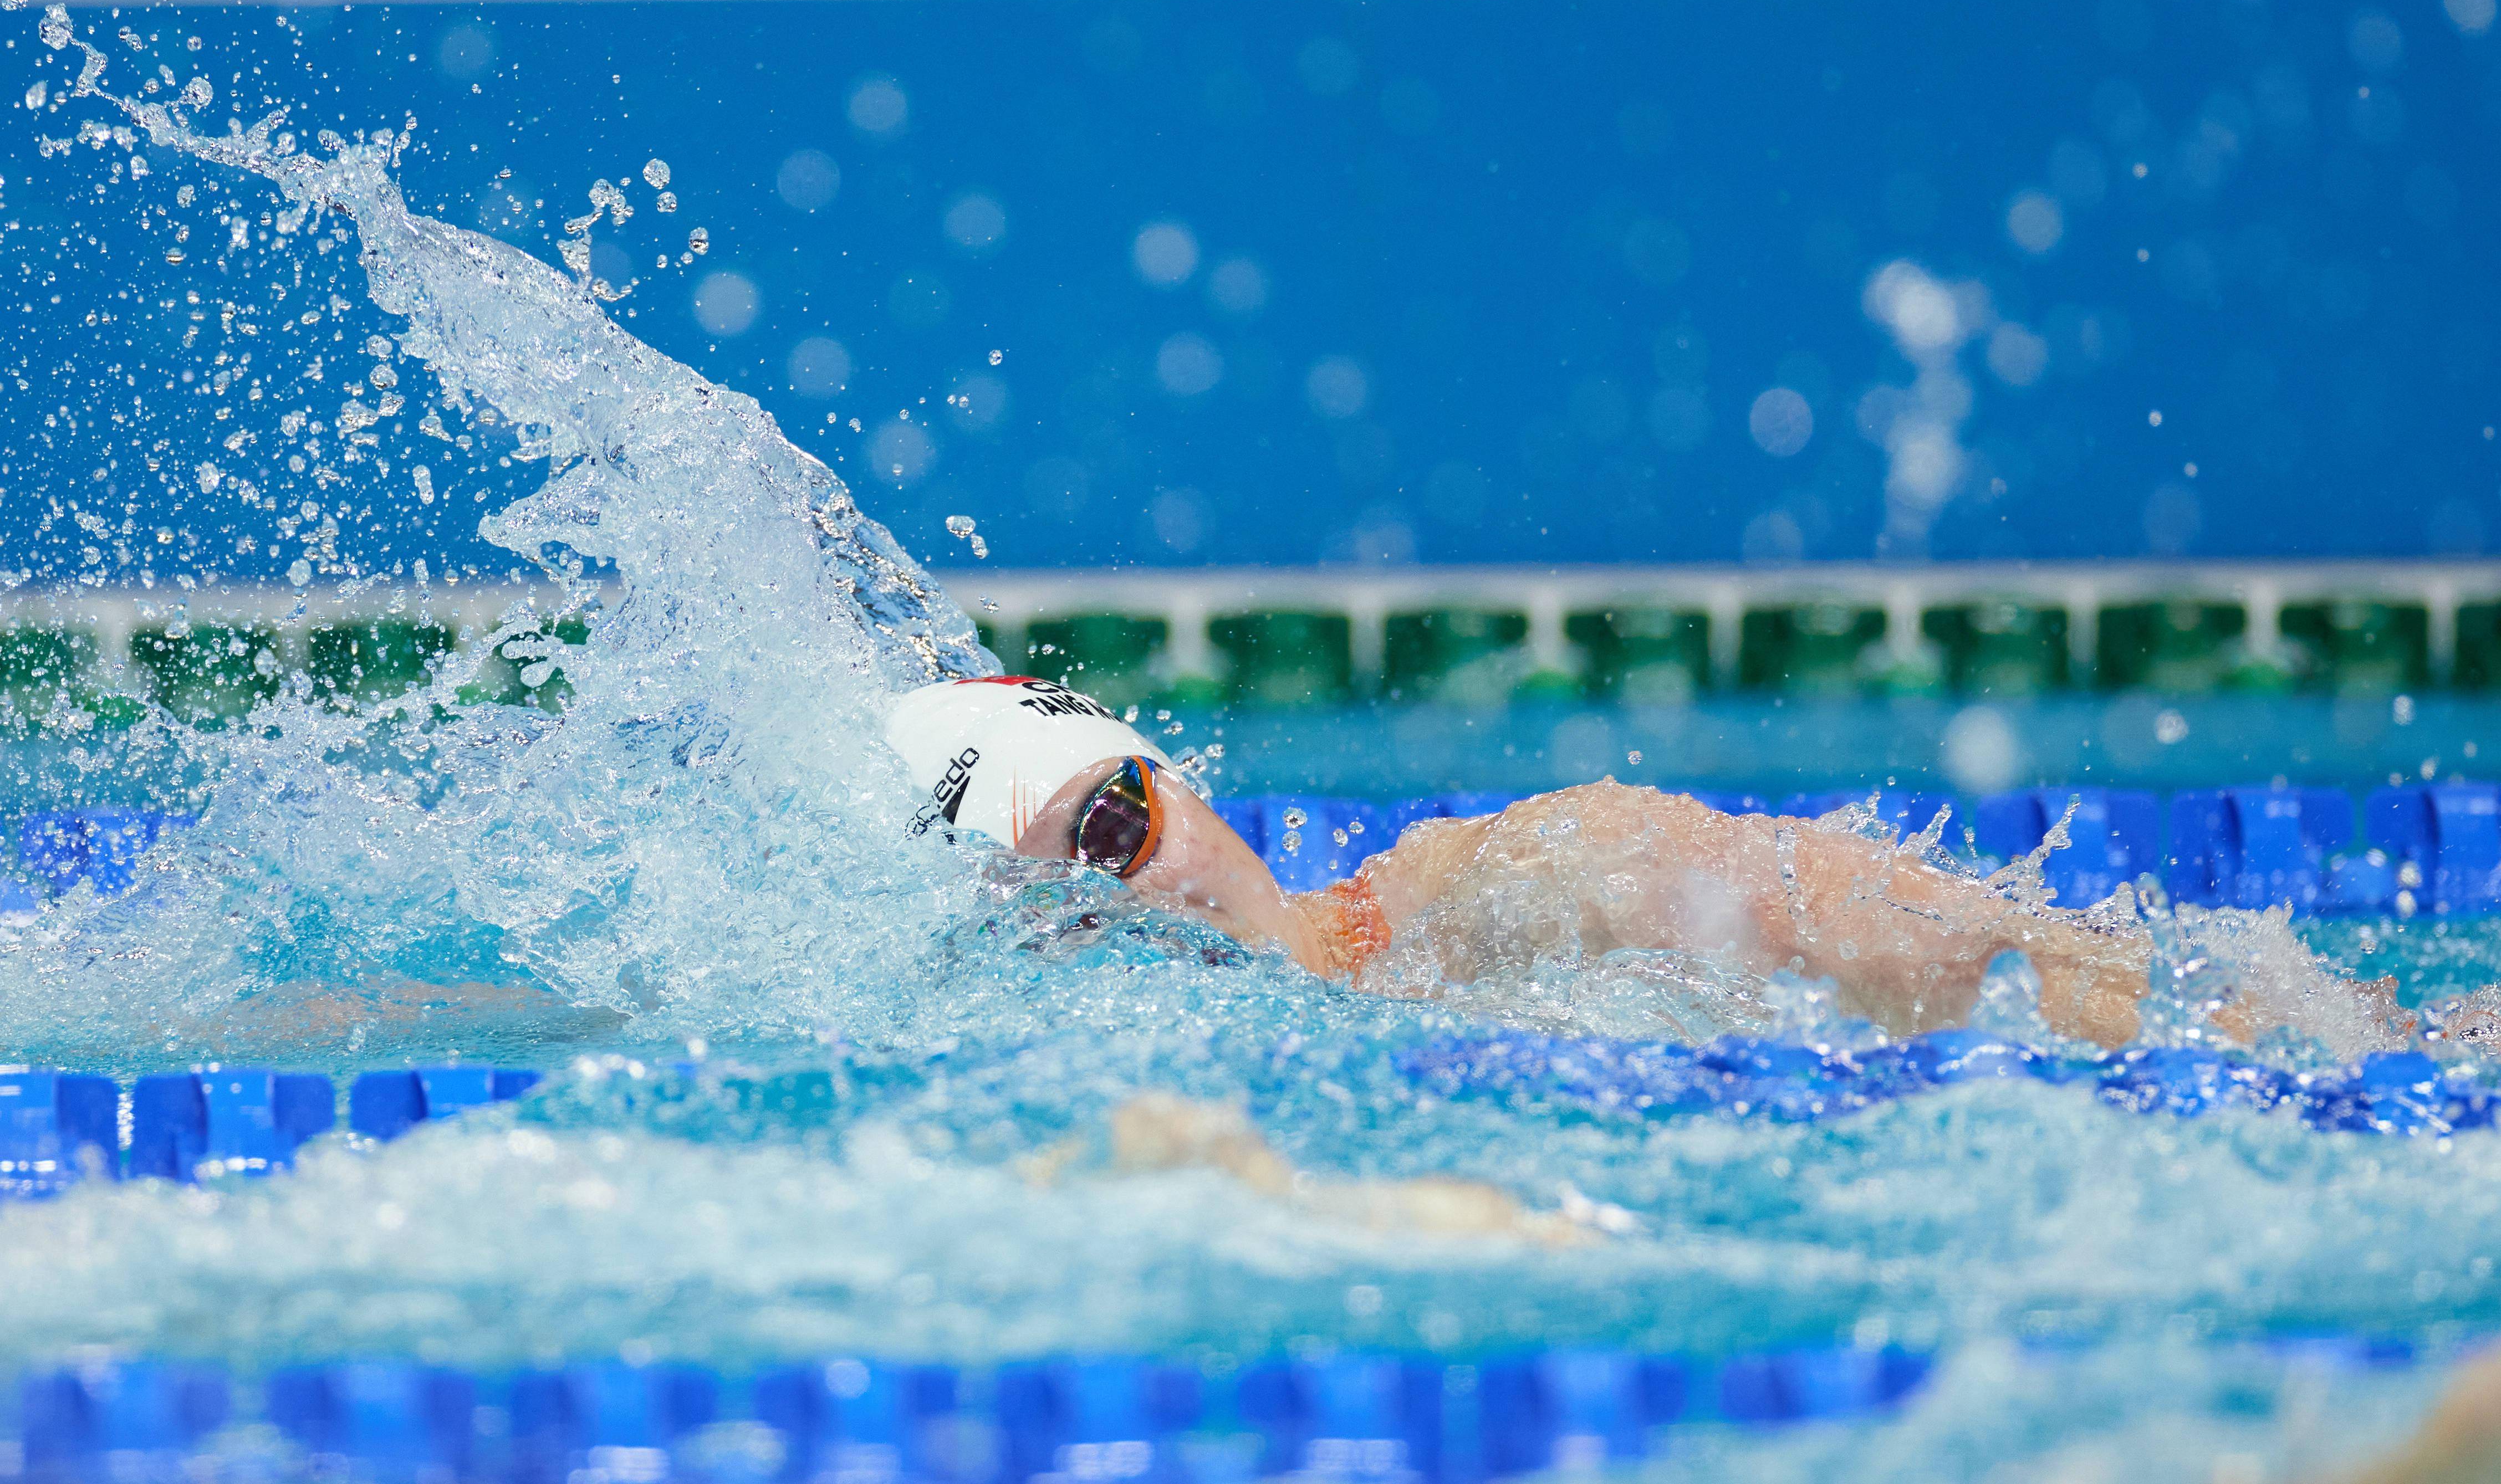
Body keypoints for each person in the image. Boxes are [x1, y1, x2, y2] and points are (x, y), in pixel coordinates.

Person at [883, 675, 2314, 1052]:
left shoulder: (1543, 879)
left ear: (1176, 778)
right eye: (1061, 915)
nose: (1130, 901)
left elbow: (2055, 993)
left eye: (1116, 827)